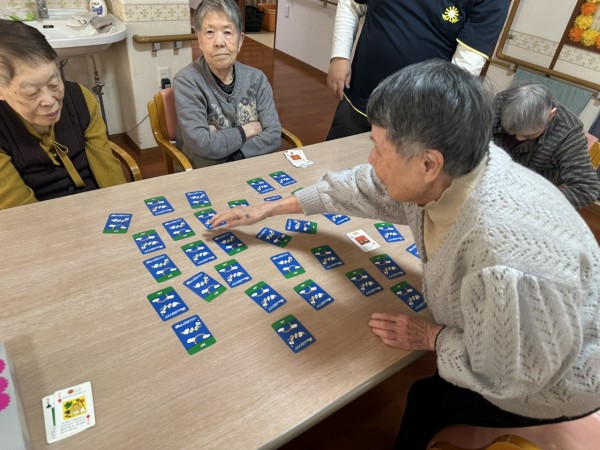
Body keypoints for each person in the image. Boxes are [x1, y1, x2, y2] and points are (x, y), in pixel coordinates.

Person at [209, 60, 600, 448]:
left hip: (557, 380)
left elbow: (515, 372)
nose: (371, 160)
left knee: (425, 401)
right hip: (524, 333)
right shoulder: (461, 164)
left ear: (428, 163)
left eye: (379, 149)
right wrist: (270, 209)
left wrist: (433, 337)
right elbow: (363, 187)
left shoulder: (500, 258)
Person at [326, 0, 509, 141]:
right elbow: (351, 4)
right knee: (334, 166)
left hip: (417, 117)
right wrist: (340, 56)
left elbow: (465, 65)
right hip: (360, 96)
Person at [0, 20, 126, 210]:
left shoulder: (80, 98)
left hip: (96, 205)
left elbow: (108, 172)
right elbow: (20, 211)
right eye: (32, 93)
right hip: (42, 217)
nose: (50, 101)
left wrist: (123, 209)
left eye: (54, 83)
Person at [174, 0, 282, 168]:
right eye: (210, 32)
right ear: (199, 39)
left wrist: (234, 154)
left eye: (227, 32)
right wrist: (247, 130)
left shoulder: (257, 79)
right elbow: (202, 144)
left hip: (251, 168)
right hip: (205, 173)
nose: (219, 42)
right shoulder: (186, 81)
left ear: (240, 40)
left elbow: (274, 135)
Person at [492, 83, 600, 208]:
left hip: (530, 194)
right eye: (511, 132)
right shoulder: (501, 102)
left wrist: (533, 200)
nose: (518, 138)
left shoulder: (568, 132)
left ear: (551, 115)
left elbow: (587, 189)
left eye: (529, 135)